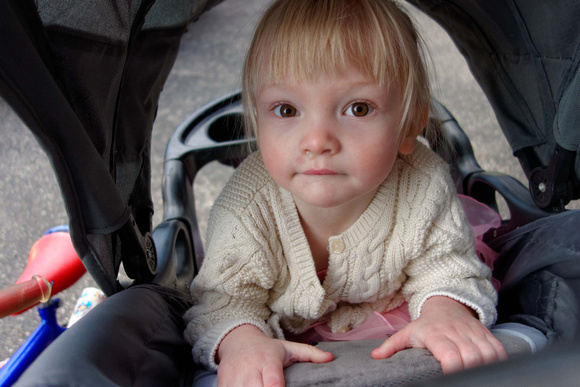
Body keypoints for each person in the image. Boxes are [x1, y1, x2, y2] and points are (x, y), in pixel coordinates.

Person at [183, 0, 507, 385]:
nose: (317, 140)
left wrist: (445, 310)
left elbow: (446, 269)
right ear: (256, 119)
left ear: (409, 126)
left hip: (396, 326)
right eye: (287, 110)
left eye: (357, 108)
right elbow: (222, 301)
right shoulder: (248, 207)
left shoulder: (422, 184)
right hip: (289, 344)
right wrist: (242, 341)